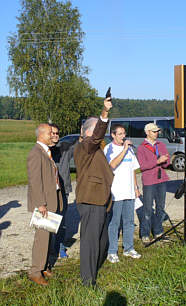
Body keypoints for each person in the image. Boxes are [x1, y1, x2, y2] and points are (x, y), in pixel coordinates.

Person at [74, 97, 114, 286]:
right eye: (98, 131)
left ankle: (93, 270)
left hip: (101, 201)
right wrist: (104, 114)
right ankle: (88, 281)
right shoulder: (85, 146)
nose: (102, 137)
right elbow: (97, 136)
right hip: (90, 201)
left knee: (102, 241)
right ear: (89, 132)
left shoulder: (96, 149)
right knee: (90, 243)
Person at [27, 123, 63, 286]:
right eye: (50, 133)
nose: (53, 135)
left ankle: (45, 266)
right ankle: (35, 271)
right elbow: (35, 182)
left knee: (48, 236)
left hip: (51, 200)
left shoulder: (45, 152)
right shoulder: (36, 153)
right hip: (44, 203)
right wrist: (41, 204)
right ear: (41, 134)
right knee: (42, 238)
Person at [103, 124, 141, 263]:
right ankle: (112, 251)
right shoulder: (109, 149)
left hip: (129, 191)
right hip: (116, 192)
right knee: (114, 223)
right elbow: (111, 165)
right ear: (113, 135)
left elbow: (133, 169)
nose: (123, 136)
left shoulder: (130, 150)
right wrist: (124, 149)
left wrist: (136, 187)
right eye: (119, 134)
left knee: (129, 221)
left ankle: (128, 248)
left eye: (124, 133)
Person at [136, 123, 170, 244]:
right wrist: (157, 161)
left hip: (161, 180)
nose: (157, 133)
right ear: (148, 132)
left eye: (157, 131)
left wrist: (166, 161)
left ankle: (158, 231)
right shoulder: (141, 148)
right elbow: (142, 166)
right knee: (147, 209)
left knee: (160, 207)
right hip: (149, 181)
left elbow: (166, 163)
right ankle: (145, 233)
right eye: (154, 131)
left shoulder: (161, 145)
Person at [49, 123, 76, 259]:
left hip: (63, 189)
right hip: (49, 191)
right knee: (48, 221)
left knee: (61, 221)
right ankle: (48, 249)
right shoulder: (43, 150)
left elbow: (79, 146)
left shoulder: (65, 147)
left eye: (57, 133)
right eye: (52, 133)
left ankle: (59, 247)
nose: (55, 135)